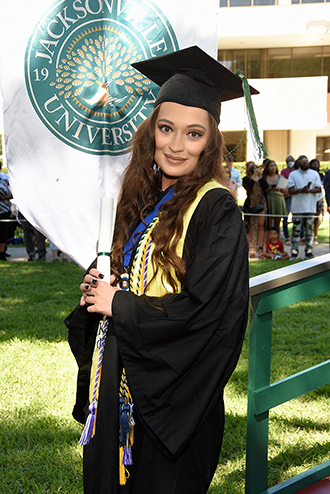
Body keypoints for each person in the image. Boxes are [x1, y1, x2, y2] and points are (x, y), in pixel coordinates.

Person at [66, 46, 252, 494]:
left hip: (175, 408)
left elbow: (206, 313)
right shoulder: (142, 197)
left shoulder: (216, 208)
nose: (175, 144)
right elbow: (133, 274)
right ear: (151, 131)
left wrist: (122, 305)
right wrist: (100, 287)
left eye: (193, 134)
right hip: (121, 386)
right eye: (166, 129)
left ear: (210, 142)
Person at [287, 155, 322, 260]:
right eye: (302, 162)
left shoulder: (314, 173)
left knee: (309, 231)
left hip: (310, 207)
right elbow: (290, 190)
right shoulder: (293, 174)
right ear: (298, 163)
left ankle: (309, 251)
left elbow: (319, 189)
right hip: (297, 208)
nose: (305, 163)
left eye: (306, 161)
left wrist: (309, 190)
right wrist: (301, 190)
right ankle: (294, 251)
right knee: (296, 230)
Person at [243, 161, 268, 258]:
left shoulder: (261, 177)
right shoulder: (246, 179)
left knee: (261, 226)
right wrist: (254, 176)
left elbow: (266, 187)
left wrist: (260, 177)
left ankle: (261, 249)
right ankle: (251, 250)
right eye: (250, 167)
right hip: (250, 204)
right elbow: (248, 187)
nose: (253, 168)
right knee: (251, 227)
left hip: (262, 203)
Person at [263, 160, 287, 231]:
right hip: (269, 199)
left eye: (274, 166)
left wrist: (280, 190)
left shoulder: (281, 177)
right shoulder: (264, 178)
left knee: (277, 224)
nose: (273, 168)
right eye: (271, 166)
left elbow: (287, 191)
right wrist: (269, 190)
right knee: (268, 223)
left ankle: (277, 240)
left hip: (278, 199)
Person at [280, 155, 295, 245]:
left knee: (296, 217)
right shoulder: (284, 172)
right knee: (285, 217)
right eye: (289, 160)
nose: (291, 162)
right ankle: (287, 237)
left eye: (292, 160)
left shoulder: (297, 171)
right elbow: (283, 185)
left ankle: (297, 236)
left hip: (296, 197)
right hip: (288, 196)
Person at [309, 158, 324, 245]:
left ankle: (315, 236)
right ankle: (309, 235)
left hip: (319, 197)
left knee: (316, 217)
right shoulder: (308, 174)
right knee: (310, 217)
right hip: (310, 198)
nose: (315, 166)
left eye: (317, 164)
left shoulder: (321, 175)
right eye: (314, 164)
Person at [0, 162, 13, 261]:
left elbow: (12, 193)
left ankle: (2, 253)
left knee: (3, 232)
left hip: (4, 210)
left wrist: (3, 198)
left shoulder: (5, 178)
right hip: (5, 209)